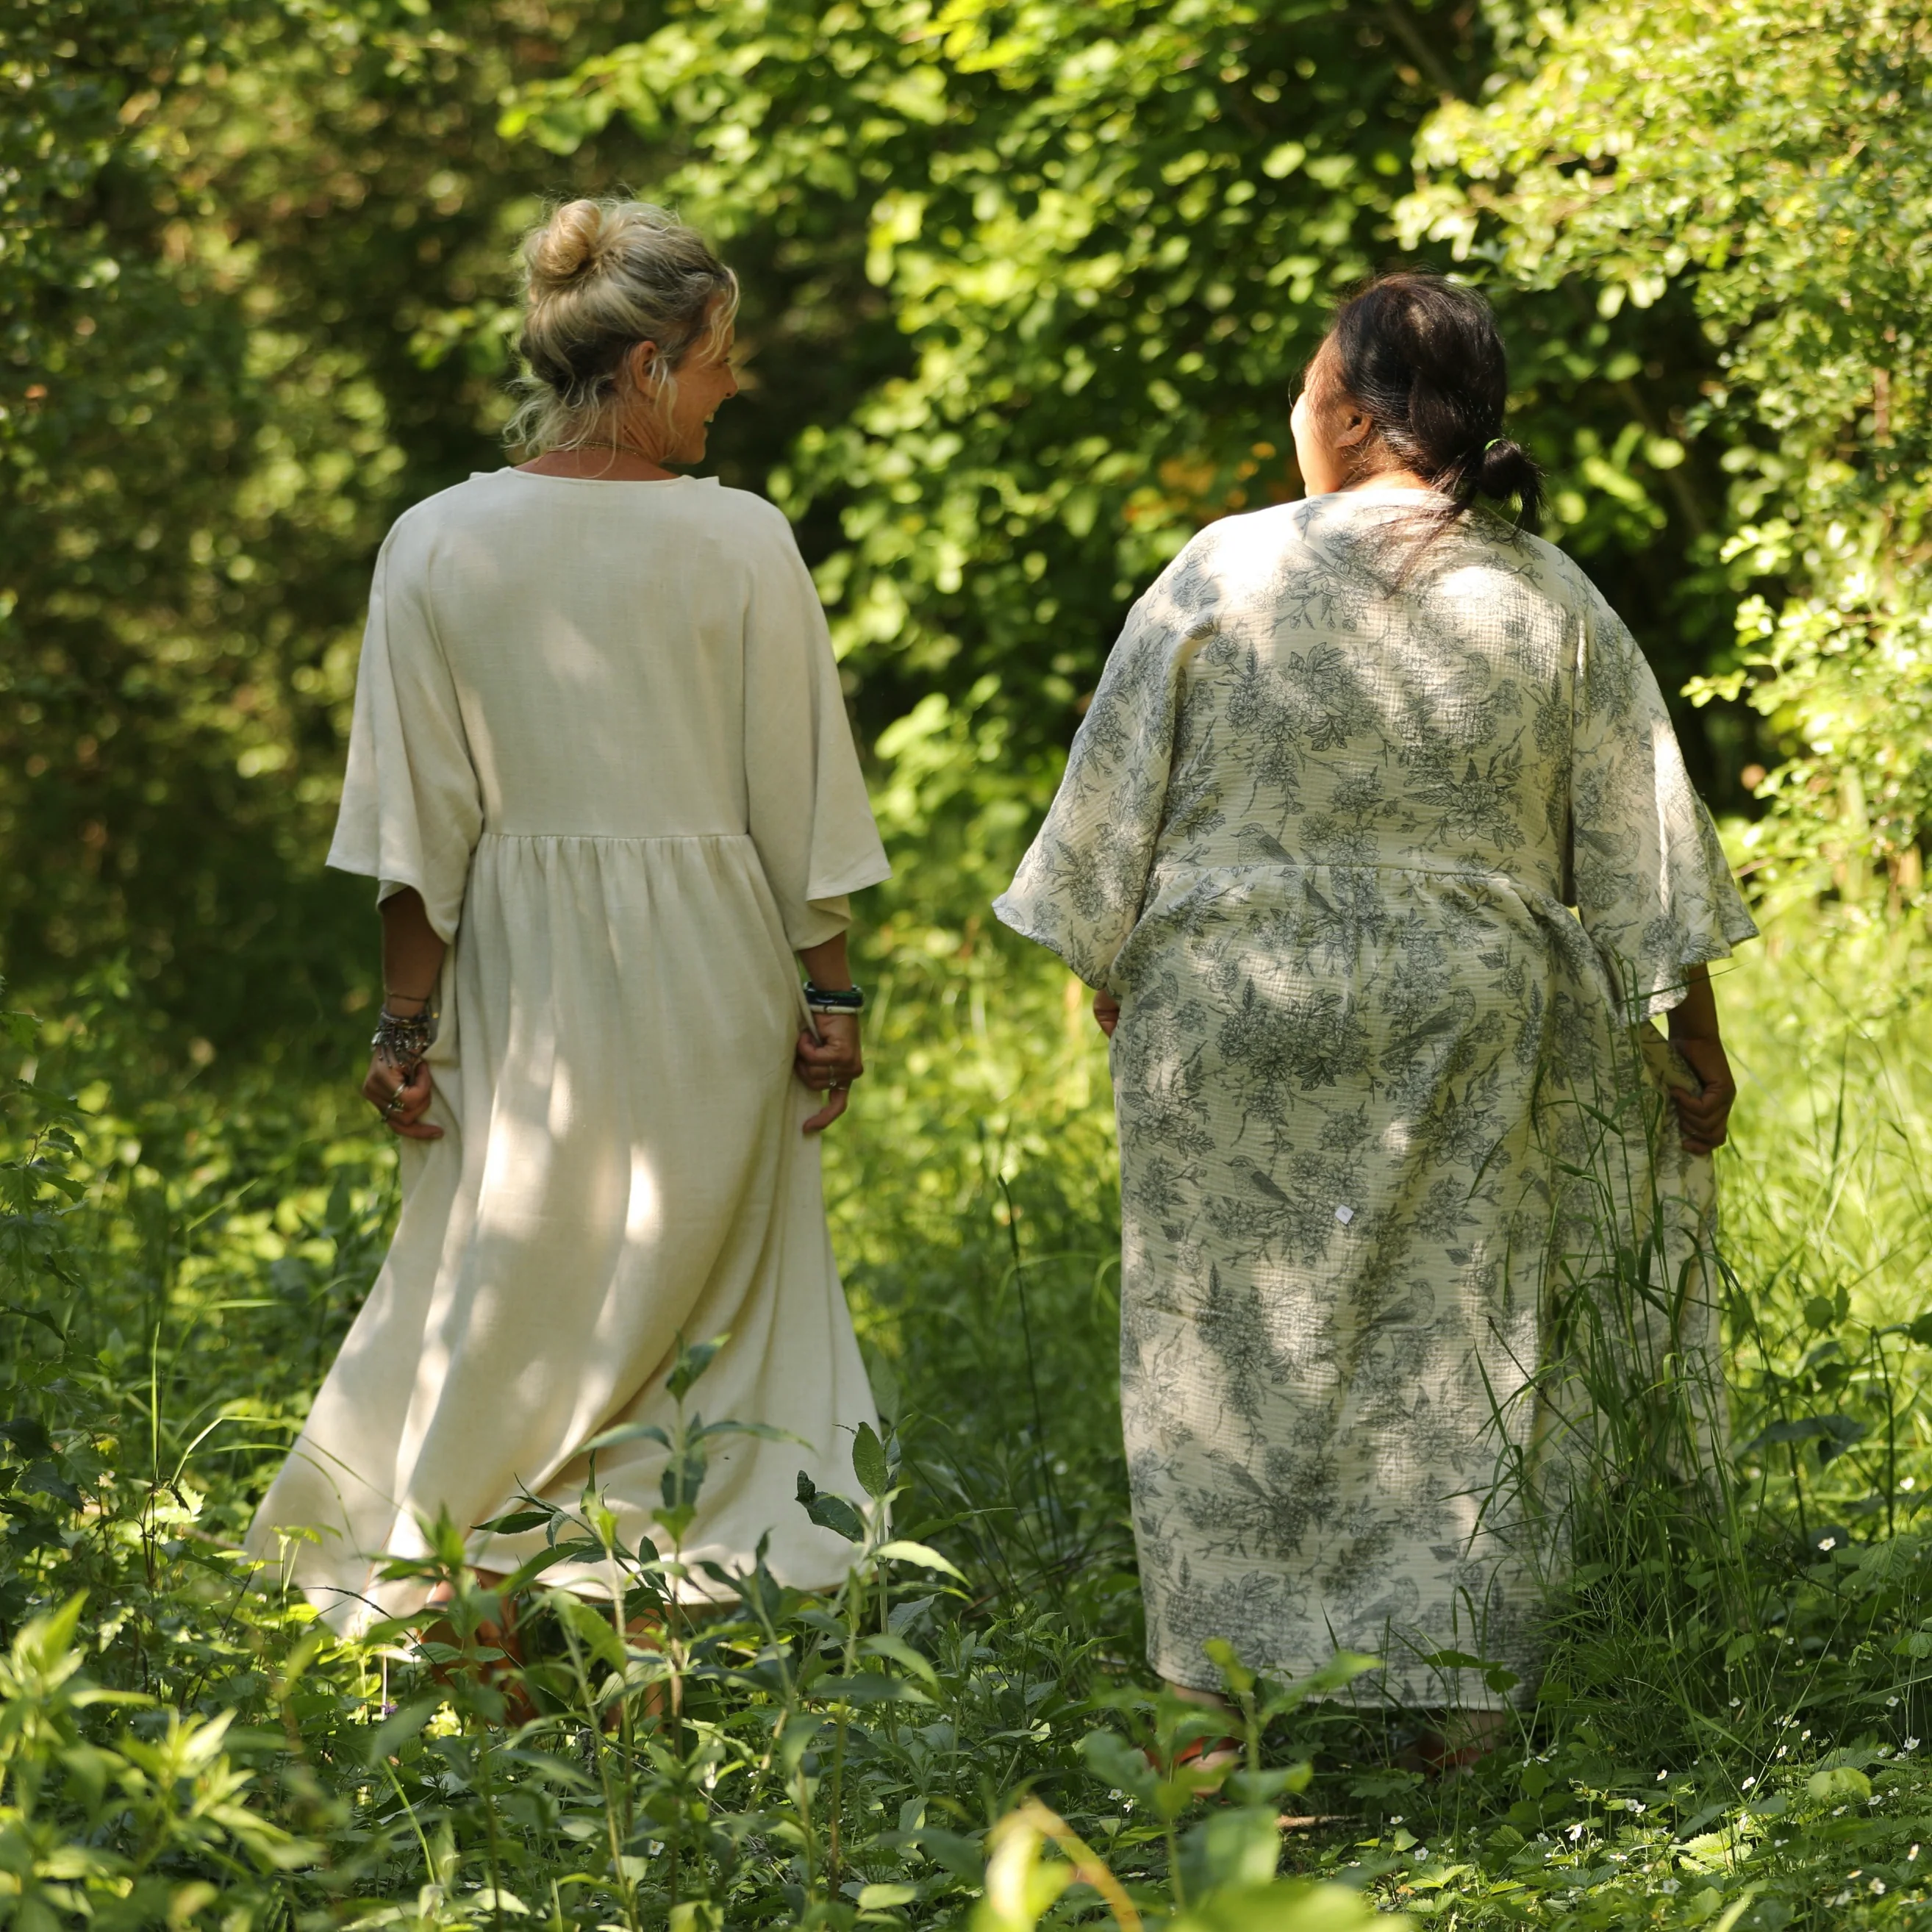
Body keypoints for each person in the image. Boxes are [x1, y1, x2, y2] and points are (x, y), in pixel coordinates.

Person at [994, 272, 1756, 1754]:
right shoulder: (1546, 594)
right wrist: (1698, 1054)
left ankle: (1211, 1718)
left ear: (1347, 412)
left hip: (1225, 1003)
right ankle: (1458, 1718)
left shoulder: (1220, 571)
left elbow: (1103, 833)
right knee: (1460, 1339)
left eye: (1304, 389)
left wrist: (1118, 969)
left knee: (1213, 1337)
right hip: (1465, 1009)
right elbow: (1648, 851)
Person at [247, 198, 892, 1634]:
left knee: (512, 1263)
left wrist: (402, 1025)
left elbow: (420, 841)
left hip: (521, 985)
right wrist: (830, 996)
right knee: (695, 1289)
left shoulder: (435, 544)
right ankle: (661, 1600)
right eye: (722, 356)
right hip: (719, 981)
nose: (736, 385)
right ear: (654, 360)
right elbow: (801, 801)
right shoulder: (743, 544)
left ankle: (482, 1580)